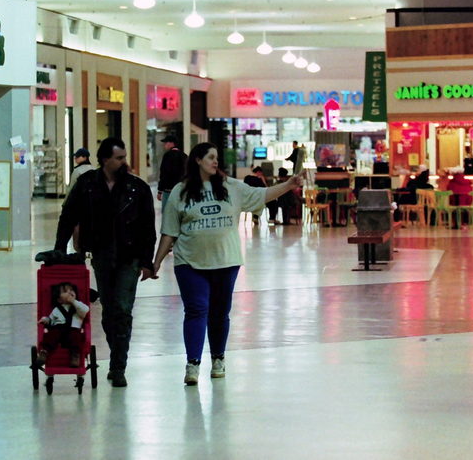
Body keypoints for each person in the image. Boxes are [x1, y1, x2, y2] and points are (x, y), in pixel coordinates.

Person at [152, 142, 303, 385]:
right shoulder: (180, 191)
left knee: (219, 313)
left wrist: (289, 184)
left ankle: (218, 358)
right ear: (198, 160)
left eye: (217, 158)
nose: (216, 162)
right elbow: (169, 231)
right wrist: (157, 262)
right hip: (189, 262)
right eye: (211, 157)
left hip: (225, 261)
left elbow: (261, 195)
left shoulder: (231, 187)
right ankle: (192, 364)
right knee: (195, 310)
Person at [54, 137, 157, 388]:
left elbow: (147, 227)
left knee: (122, 309)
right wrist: (59, 249)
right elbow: (68, 216)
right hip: (101, 255)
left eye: (124, 157)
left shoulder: (137, 188)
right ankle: (116, 356)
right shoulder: (87, 185)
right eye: (119, 158)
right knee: (109, 310)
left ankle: (118, 366)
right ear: (104, 160)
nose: (124, 162)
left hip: (129, 257)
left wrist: (147, 261)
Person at [36, 282, 90, 368]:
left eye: (71, 290)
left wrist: (73, 301)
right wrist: (46, 320)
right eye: (65, 291)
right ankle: (44, 352)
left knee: (76, 336)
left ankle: (75, 356)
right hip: (59, 331)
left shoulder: (78, 306)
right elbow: (51, 321)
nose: (69, 292)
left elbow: (85, 310)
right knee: (52, 334)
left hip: (73, 330)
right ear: (59, 299)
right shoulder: (57, 309)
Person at [157, 135, 187, 212]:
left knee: (166, 214)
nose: (164, 145)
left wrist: (160, 191)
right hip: (181, 191)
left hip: (169, 191)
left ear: (171, 143)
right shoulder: (184, 156)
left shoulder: (167, 156)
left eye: (166, 143)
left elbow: (164, 173)